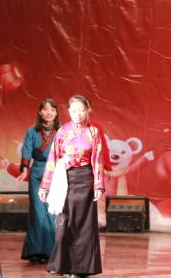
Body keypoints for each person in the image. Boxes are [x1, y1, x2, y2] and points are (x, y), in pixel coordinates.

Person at [39, 94, 108, 278]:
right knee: (63, 224)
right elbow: (52, 158)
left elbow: (97, 159)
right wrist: (45, 186)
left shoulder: (93, 132)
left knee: (84, 226)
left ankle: (80, 269)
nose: (78, 114)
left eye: (82, 110)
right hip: (65, 180)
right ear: (69, 111)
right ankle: (61, 265)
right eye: (74, 110)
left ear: (88, 110)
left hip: (86, 180)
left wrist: (98, 186)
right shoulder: (63, 131)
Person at [16, 98, 59, 265]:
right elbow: (27, 151)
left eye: (52, 109)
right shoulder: (32, 131)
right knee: (37, 212)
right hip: (36, 173)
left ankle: (50, 252)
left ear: (56, 113)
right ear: (40, 112)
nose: (49, 112)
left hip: (55, 173)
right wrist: (25, 170)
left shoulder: (62, 131)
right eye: (45, 109)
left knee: (51, 213)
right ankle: (35, 251)